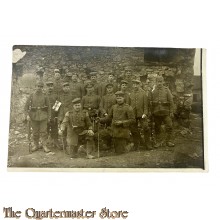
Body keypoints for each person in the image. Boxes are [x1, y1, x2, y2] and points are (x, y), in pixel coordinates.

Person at [24, 81, 51, 153]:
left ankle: (44, 145)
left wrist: (49, 117)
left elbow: (49, 107)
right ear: (35, 86)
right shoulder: (31, 95)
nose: (39, 88)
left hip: (43, 115)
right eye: (38, 86)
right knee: (35, 132)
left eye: (41, 87)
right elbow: (26, 106)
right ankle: (36, 145)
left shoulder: (45, 95)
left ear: (42, 88)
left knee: (44, 131)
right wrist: (27, 115)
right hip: (34, 116)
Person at [149, 76, 175, 148]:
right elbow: (150, 101)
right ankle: (158, 142)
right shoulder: (153, 91)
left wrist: (171, 111)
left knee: (169, 126)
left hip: (166, 112)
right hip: (156, 112)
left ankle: (169, 141)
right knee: (157, 127)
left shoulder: (167, 90)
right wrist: (151, 112)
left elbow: (171, 101)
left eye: (161, 81)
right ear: (156, 82)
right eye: (158, 82)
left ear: (163, 82)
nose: (159, 83)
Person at [129, 80, 150, 150]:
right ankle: (136, 145)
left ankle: (148, 144)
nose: (135, 86)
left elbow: (146, 105)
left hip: (142, 114)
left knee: (146, 128)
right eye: (134, 85)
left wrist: (145, 113)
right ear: (132, 85)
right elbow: (129, 105)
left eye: (137, 84)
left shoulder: (143, 93)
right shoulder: (131, 94)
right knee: (134, 130)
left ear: (139, 85)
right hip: (133, 115)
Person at [45, 81, 60, 149]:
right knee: (45, 129)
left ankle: (55, 142)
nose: (50, 88)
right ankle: (45, 143)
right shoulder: (44, 95)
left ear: (53, 87)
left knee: (55, 129)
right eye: (48, 86)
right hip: (46, 115)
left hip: (54, 115)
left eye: (51, 86)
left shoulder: (56, 96)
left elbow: (57, 106)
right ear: (46, 87)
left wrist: (55, 115)